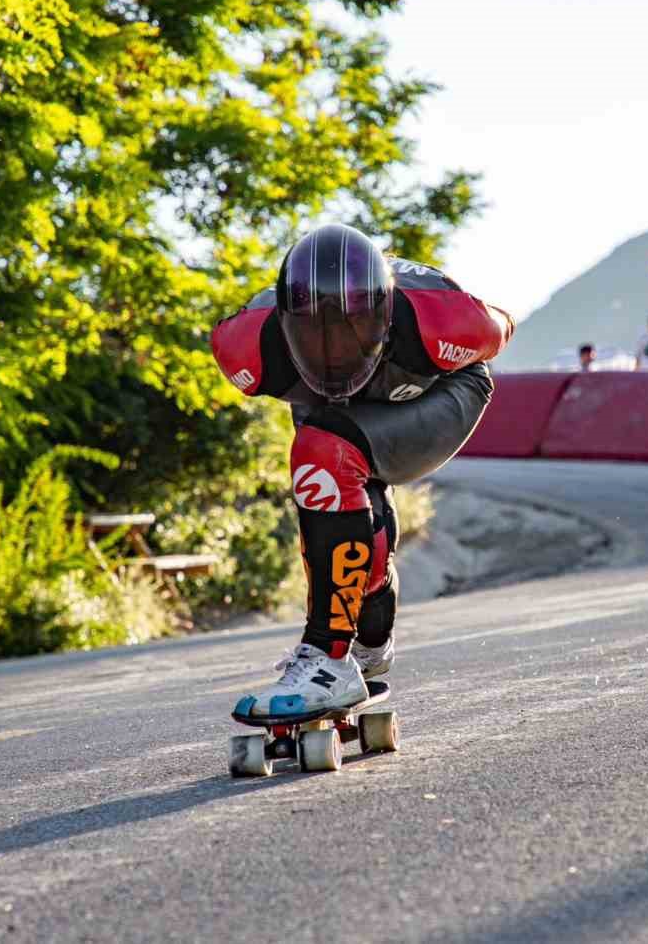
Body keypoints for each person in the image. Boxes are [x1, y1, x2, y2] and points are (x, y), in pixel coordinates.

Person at [211, 224, 514, 717]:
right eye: (313, 336)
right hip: (331, 412)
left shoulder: (446, 321)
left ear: (386, 317)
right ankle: (370, 643)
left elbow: (502, 326)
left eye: (355, 329)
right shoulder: (245, 345)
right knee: (338, 500)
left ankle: (327, 658)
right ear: (284, 325)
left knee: (323, 451)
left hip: (439, 389)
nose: (335, 351)